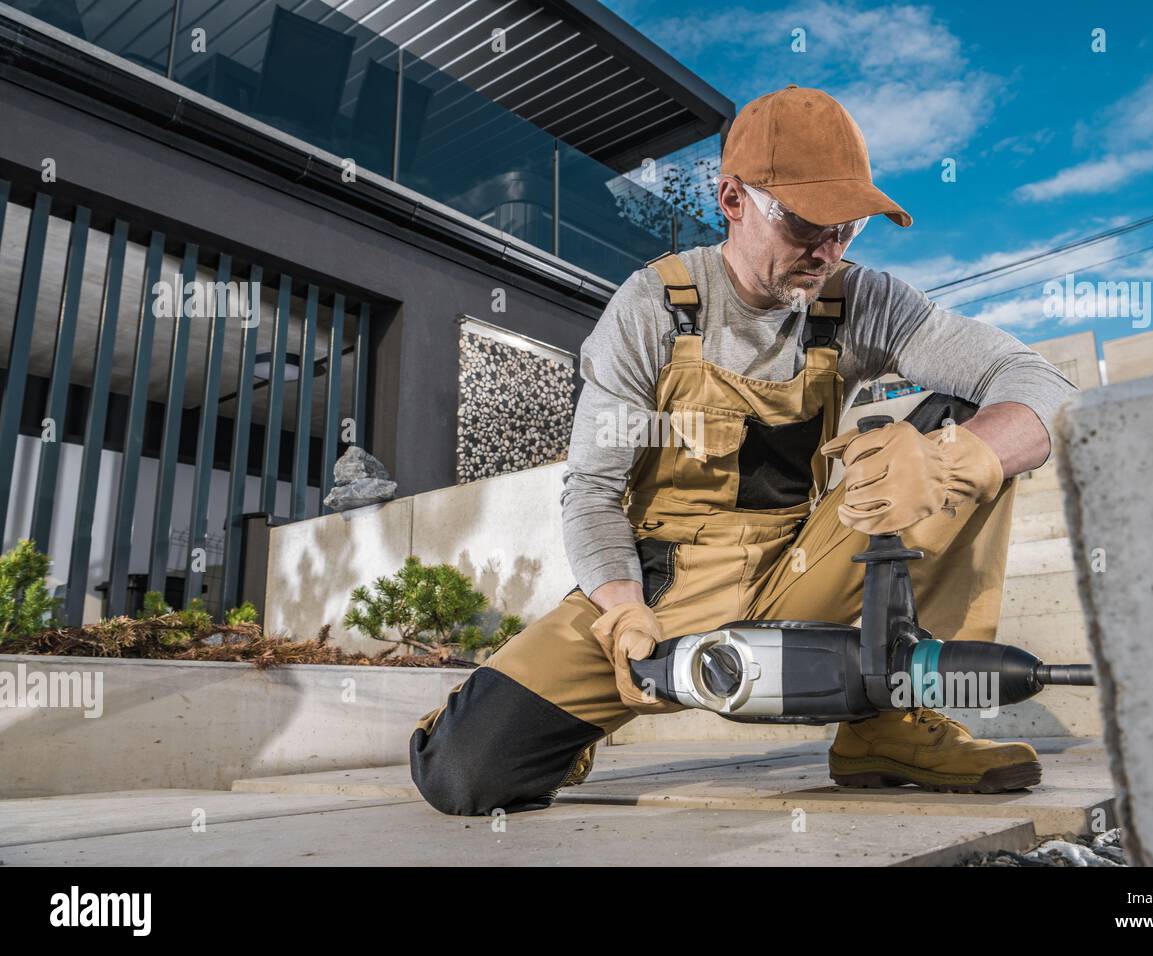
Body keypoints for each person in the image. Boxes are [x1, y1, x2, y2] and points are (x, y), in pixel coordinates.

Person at [410, 84, 1078, 815]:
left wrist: (958, 458)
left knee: (977, 418)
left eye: (846, 230)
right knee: (464, 776)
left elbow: (1039, 382)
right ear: (732, 199)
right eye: (804, 224)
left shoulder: (862, 301)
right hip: (664, 585)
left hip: (805, 564)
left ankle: (891, 722)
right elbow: (593, 493)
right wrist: (624, 608)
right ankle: (553, 726)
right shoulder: (652, 308)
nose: (826, 252)